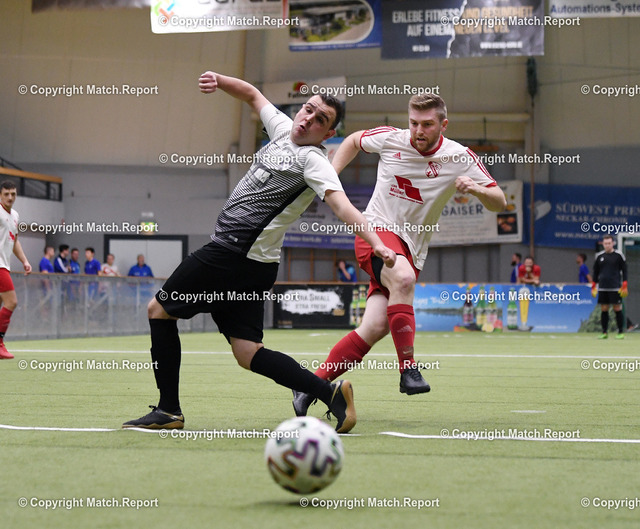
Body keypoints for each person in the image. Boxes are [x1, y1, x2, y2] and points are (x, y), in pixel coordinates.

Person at [122, 70, 396, 434]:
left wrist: (376, 242)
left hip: (232, 254)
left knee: (159, 310)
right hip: (254, 265)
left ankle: (169, 410)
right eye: (308, 109)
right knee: (247, 352)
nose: (309, 119)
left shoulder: (313, 161)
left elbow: (342, 206)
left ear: (328, 134)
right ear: (299, 109)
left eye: (321, 119)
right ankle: (329, 393)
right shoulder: (282, 129)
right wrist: (219, 80)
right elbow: (252, 94)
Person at [292, 93, 506, 416]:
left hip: (411, 250)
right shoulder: (391, 139)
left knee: (375, 327)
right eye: (413, 123)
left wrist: (475, 189)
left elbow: (499, 201)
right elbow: (352, 140)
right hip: (375, 232)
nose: (418, 131)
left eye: (427, 125)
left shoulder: (459, 157)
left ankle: (309, 386)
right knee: (403, 278)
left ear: (443, 125)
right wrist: (328, 179)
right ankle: (409, 371)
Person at [0, 181, 32, 359]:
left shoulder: (15, 215)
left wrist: (25, 261)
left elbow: (14, 240)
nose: (10, 197)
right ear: (0, 195)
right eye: (6, 194)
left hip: (5, 265)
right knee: (11, 302)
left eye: (13, 194)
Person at [592, 234, 628, 339]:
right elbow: (596, 272)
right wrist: (594, 285)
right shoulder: (599, 256)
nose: (607, 245)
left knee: (617, 308)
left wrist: (625, 283)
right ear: (603, 244)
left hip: (615, 287)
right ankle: (604, 332)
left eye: (609, 243)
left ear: (613, 243)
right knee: (604, 309)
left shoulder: (619, 255)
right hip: (603, 287)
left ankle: (620, 332)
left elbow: (624, 270)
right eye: (605, 243)